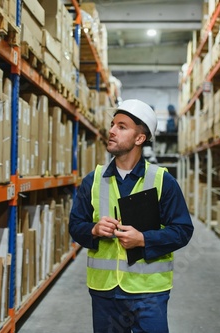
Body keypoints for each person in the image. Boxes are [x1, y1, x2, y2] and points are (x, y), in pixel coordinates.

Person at [69, 99, 194, 333]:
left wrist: (144, 240)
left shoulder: (162, 181)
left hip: (148, 293)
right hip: (105, 292)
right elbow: (76, 225)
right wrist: (94, 230)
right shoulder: (92, 181)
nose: (112, 131)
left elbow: (183, 230)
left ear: (140, 138)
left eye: (122, 127)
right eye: (113, 124)